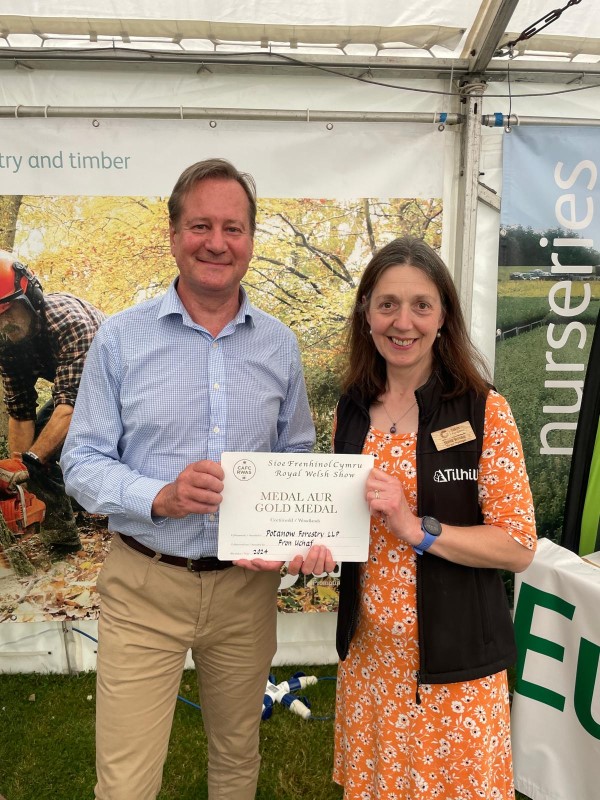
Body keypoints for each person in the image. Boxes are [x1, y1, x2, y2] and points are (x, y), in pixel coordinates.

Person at [60, 158, 334, 800]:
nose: (217, 242)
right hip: (145, 585)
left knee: (237, 757)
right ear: (173, 233)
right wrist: (159, 496)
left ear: (251, 239)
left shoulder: (279, 346)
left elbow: (296, 453)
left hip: (244, 593)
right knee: (126, 781)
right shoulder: (121, 340)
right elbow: (82, 462)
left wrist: (302, 532)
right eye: (201, 225)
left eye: (233, 227)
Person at [332, 236, 537, 799]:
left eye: (422, 304)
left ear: (444, 316)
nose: (404, 322)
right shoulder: (351, 411)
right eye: (388, 304)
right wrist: (311, 545)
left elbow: (518, 546)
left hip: (454, 666)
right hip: (372, 660)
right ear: (367, 313)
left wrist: (417, 528)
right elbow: (344, 524)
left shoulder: (483, 410)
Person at [0, 251, 105, 553]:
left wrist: (31, 460)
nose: (4, 324)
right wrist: (17, 469)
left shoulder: (69, 322)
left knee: (40, 454)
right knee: (32, 459)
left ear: (29, 297)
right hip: (74, 394)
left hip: (126, 385)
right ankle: (62, 541)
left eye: (8, 312)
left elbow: (71, 408)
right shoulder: (8, 345)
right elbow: (20, 411)